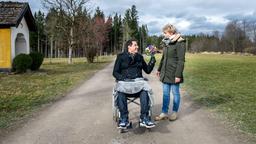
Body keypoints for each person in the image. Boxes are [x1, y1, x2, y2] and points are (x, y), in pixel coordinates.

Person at [113, 39, 156, 129]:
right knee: (120, 92)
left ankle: (144, 118)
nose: (137, 47)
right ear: (129, 46)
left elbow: (147, 70)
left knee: (145, 91)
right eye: (135, 45)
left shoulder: (139, 57)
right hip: (126, 85)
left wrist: (152, 59)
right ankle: (124, 119)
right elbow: (115, 72)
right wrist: (122, 79)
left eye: (137, 45)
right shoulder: (121, 57)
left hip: (138, 85)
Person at [155, 24, 186, 121]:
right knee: (165, 94)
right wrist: (159, 69)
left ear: (171, 32)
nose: (164, 35)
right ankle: (164, 112)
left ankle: (174, 112)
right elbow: (164, 57)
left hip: (174, 73)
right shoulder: (166, 42)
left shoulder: (180, 42)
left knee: (175, 93)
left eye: (165, 33)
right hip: (165, 72)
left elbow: (181, 60)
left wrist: (178, 75)